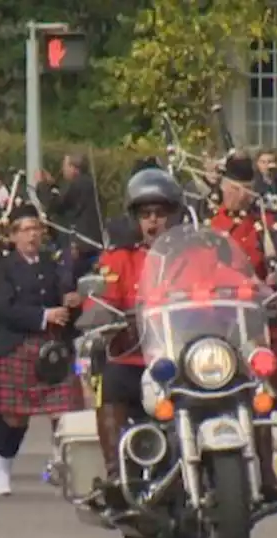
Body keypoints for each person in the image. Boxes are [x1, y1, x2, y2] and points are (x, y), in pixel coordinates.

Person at [209, 155, 277, 501]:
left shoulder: (268, 227)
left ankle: (265, 472)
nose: (241, 195)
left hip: (255, 328)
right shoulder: (210, 230)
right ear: (223, 187)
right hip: (217, 327)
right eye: (235, 188)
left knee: (262, 399)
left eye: (247, 189)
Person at [83, 167, 176, 511]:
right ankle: (115, 474)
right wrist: (106, 315)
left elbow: (222, 284)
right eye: (146, 214)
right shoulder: (120, 256)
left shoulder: (190, 255)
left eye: (160, 214)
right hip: (133, 355)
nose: (153, 222)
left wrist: (261, 295)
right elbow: (99, 298)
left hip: (179, 357)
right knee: (112, 380)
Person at [0, 203, 85, 496]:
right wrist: (44, 316)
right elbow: (2, 309)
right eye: (25, 230)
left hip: (53, 349)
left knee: (64, 414)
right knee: (16, 417)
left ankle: (65, 469)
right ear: (13, 236)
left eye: (36, 229)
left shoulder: (53, 265)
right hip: (18, 345)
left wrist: (71, 302)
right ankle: (0, 466)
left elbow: (65, 295)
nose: (32, 235)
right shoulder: (4, 267)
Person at [35, 154, 103, 267]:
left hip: (80, 244)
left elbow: (55, 204)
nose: (63, 170)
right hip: (91, 241)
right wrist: (52, 185)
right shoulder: (88, 183)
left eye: (65, 166)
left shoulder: (78, 184)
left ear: (74, 168)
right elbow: (68, 200)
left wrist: (41, 185)